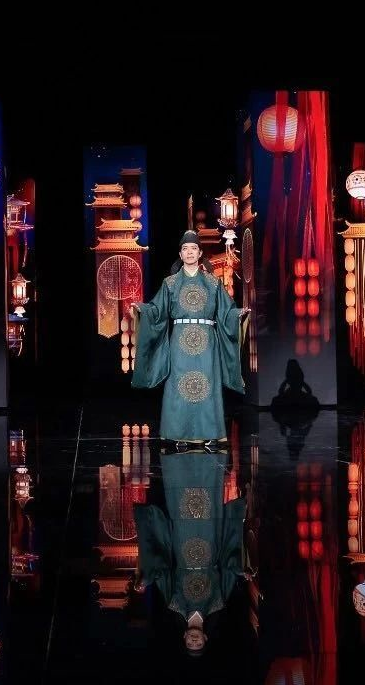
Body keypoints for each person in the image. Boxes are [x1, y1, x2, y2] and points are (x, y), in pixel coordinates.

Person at [131, 231, 248, 446]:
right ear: (180, 254)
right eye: (185, 249)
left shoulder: (213, 283)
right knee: (178, 385)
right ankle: (178, 434)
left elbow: (226, 311)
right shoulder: (170, 283)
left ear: (200, 253)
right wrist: (143, 309)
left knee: (208, 385)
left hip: (207, 342)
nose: (190, 252)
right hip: (180, 342)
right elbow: (157, 310)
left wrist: (237, 314)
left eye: (194, 248)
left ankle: (210, 434)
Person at [134, 451, 247, 657]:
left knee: (180, 501)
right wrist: (241, 571)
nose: (194, 641)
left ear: (184, 636)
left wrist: (145, 580)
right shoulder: (217, 604)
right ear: (205, 638)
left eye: (190, 644)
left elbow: (162, 572)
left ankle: (177, 460)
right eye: (198, 644)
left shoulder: (174, 604)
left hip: (182, 542)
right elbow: (229, 570)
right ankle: (210, 458)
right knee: (208, 500)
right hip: (211, 542)